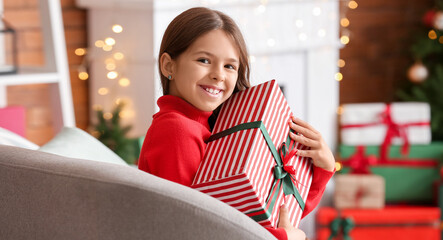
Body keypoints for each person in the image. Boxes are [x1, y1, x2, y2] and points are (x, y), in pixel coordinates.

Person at [138, 7, 335, 240]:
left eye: (229, 66)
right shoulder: (177, 130)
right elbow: (192, 228)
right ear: (168, 66)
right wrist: (283, 237)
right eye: (204, 60)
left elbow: (272, 213)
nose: (218, 75)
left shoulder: (216, 129)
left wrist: (322, 167)